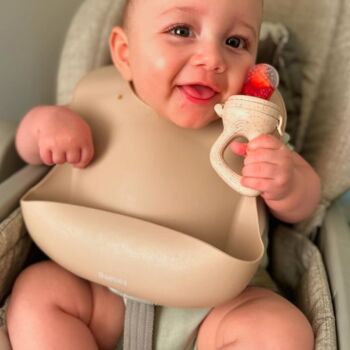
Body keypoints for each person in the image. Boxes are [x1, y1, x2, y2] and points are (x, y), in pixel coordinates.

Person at [6, 0, 320, 349]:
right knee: (39, 291)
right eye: (182, 31)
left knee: (280, 329)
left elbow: (305, 203)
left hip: (213, 306)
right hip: (101, 287)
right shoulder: (98, 102)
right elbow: (25, 148)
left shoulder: (251, 126)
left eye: (234, 42)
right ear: (125, 53)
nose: (213, 59)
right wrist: (45, 128)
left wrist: (286, 181)